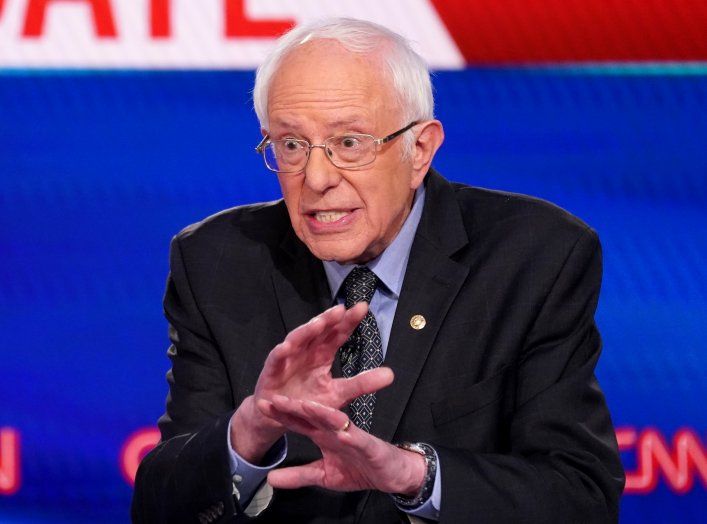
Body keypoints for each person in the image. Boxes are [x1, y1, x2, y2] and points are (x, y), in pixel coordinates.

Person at [131, 17, 624, 524]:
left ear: (420, 150)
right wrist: (249, 432)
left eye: (349, 143)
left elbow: (579, 497)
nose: (317, 178)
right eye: (292, 145)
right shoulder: (217, 261)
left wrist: (414, 474)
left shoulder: (534, 257)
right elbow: (158, 511)